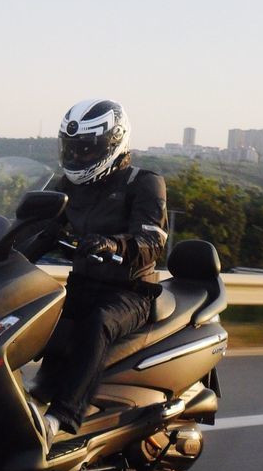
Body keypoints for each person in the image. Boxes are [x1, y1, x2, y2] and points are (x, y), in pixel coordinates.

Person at [28, 99, 168, 443]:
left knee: (97, 323)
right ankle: (35, 392)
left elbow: (152, 241)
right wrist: (0, 252)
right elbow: (41, 230)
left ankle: (63, 416)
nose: (77, 157)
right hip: (82, 284)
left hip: (130, 292)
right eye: (72, 149)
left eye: (87, 149)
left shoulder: (144, 183)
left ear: (114, 143)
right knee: (29, 314)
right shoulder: (68, 186)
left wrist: (115, 245)